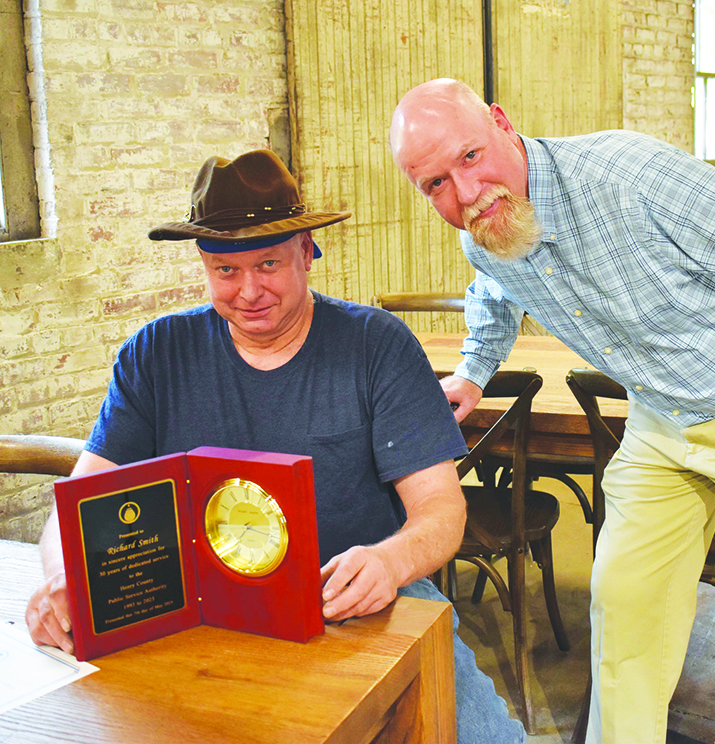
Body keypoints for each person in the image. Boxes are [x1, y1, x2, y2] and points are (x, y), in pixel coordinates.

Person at [390, 78, 715, 743]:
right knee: (626, 600)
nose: (464, 191)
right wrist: (475, 372)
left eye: (470, 157)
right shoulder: (484, 229)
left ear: (503, 125)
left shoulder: (629, 176)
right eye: (434, 185)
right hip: (664, 417)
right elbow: (493, 286)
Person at [25, 148, 526, 744]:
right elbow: (78, 501)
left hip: (355, 601)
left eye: (268, 264)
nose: (248, 291)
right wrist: (65, 580)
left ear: (307, 252)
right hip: (201, 606)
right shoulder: (156, 352)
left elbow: (442, 511)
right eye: (225, 270)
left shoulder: (375, 346)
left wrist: (389, 563)